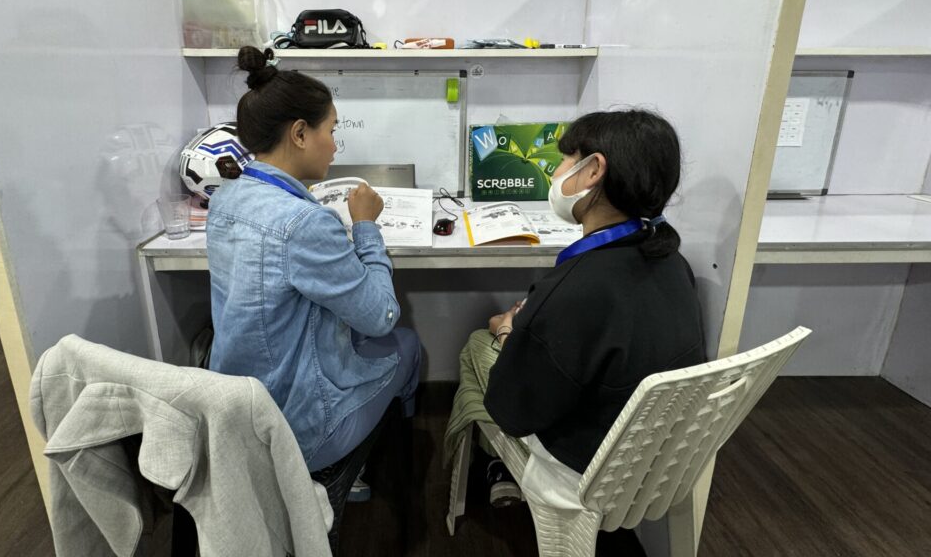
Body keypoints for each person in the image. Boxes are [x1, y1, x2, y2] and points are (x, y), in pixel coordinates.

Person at [445, 108, 705, 509]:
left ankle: (496, 464)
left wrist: (507, 331)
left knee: (478, 342)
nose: (557, 171)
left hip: (586, 464)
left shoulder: (573, 290)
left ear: (593, 170)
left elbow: (512, 411)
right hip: (658, 452)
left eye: (566, 158)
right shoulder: (672, 260)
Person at [208, 45, 422, 495]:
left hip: (235, 413)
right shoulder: (304, 222)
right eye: (332, 130)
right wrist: (365, 227)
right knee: (406, 343)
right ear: (301, 133)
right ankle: (383, 469)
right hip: (297, 431)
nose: (335, 144)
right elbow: (381, 315)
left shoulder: (225, 197)